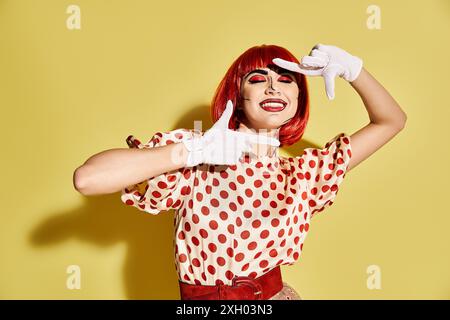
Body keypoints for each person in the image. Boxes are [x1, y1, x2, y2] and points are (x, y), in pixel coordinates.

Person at [73, 43, 407, 300]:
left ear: (298, 98)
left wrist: (353, 70)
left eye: (286, 80)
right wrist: (190, 151)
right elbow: (87, 179)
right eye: (259, 79)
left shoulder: (304, 175)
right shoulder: (194, 157)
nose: (274, 88)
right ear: (238, 94)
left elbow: (392, 120)